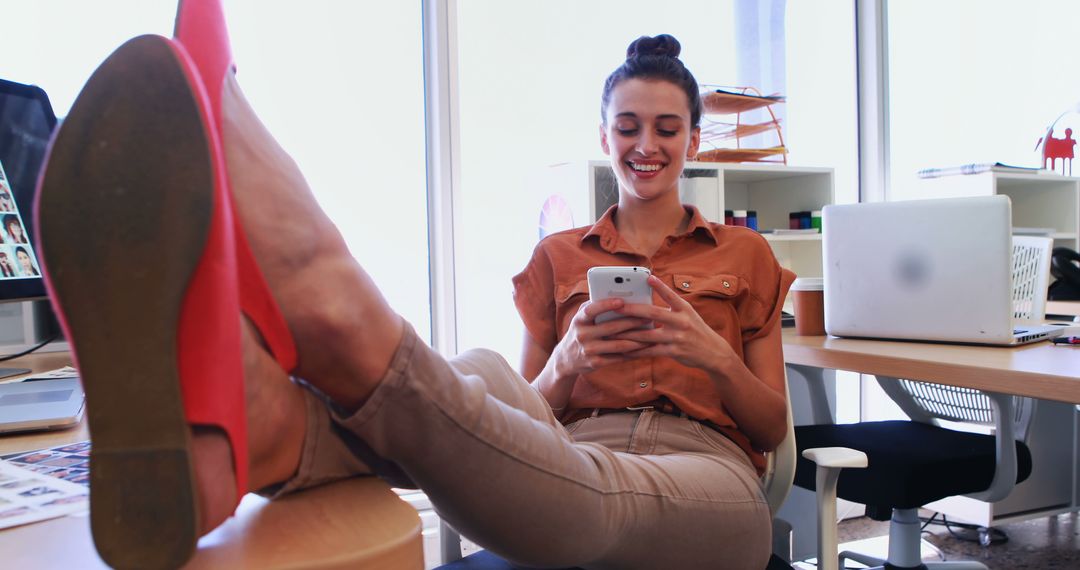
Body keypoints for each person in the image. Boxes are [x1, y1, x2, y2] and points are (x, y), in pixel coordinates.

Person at [36, 4, 791, 567]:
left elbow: (769, 430)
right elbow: (522, 404)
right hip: (567, 445)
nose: (646, 145)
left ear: (694, 138)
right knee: (486, 370)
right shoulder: (558, 253)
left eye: (666, 127)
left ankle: (305, 396)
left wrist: (710, 353)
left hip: (705, 474)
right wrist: (565, 364)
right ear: (605, 137)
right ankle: (267, 436)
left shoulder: (747, 252)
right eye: (628, 126)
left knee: (595, 489)